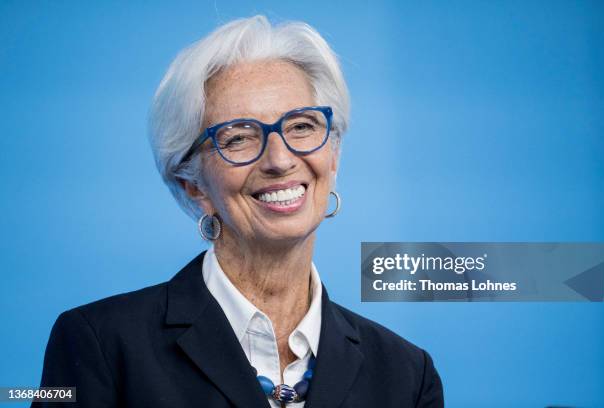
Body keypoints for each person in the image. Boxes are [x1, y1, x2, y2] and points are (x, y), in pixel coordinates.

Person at [34, 15, 444, 407]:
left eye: (302, 126)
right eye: (239, 138)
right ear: (193, 184)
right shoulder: (100, 344)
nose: (280, 160)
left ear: (333, 155)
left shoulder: (407, 373)